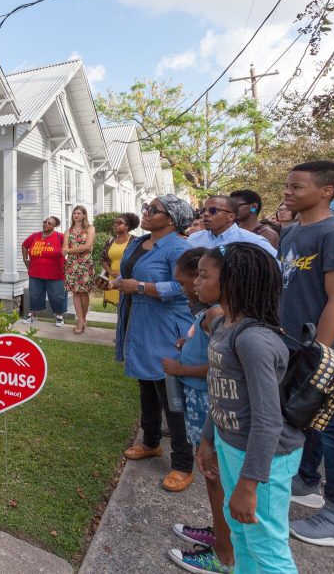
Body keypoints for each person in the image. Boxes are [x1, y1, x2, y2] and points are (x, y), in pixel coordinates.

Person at [196, 243, 306, 574]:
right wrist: (207, 439)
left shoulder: (254, 340)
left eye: (203, 275)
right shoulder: (222, 327)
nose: (196, 282)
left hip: (263, 460)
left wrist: (249, 485)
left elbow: (268, 421)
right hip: (231, 446)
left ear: (232, 281)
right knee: (241, 533)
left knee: (267, 547)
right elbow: (219, 392)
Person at [278, 161, 334, 549]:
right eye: (287, 186)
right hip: (293, 345)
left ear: (326, 190)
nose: (288, 193)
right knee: (305, 416)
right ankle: (307, 480)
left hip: (324, 351)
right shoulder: (292, 232)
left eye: (297, 187)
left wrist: (320, 357)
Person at [107, 195, 196, 492]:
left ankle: (183, 463)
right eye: (146, 207)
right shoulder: (138, 242)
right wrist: (116, 283)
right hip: (138, 320)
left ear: (171, 219)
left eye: (153, 210)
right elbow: (128, 275)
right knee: (146, 384)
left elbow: (187, 286)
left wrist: (142, 287)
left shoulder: (180, 247)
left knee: (170, 393)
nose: (145, 212)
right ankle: (151, 442)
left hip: (165, 326)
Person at [167, 248, 230, 574]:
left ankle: (224, 554)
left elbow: (217, 367)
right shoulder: (205, 313)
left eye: (193, 280)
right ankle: (219, 531)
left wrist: (178, 369)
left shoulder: (216, 315)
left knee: (214, 472)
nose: (188, 289)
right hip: (198, 400)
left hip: (206, 401)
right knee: (209, 473)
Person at [187, 195, 276, 258]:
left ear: (231, 217)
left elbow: (279, 268)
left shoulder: (253, 241)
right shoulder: (193, 239)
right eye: (203, 210)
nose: (205, 214)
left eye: (213, 210)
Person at [21, 216, 67, 326]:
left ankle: (59, 316)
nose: (46, 224)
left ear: (55, 226)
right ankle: (33, 314)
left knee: (57, 295)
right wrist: (25, 259)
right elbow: (24, 245)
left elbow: (70, 248)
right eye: (45, 222)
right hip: (36, 272)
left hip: (56, 273)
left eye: (49, 223)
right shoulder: (35, 236)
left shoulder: (60, 237)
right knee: (35, 294)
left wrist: (69, 262)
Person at [64, 205, 97, 334]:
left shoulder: (90, 228)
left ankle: (83, 319)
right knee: (76, 293)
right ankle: (80, 320)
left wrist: (70, 250)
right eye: (74, 213)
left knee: (84, 292)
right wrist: (73, 250)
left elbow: (88, 246)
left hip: (85, 264)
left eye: (79, 213)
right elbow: (63, 250)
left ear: (84, 215)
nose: (76, 215)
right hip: (72, 265)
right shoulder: (69, 231)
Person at [101, 213, 139, 306]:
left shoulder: (135, 241)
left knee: (127, 307)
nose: (116, 225)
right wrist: (110, 272)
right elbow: (103, 259)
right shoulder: (110, 240)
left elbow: (138, 261)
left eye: (119, 223)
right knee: (118, 308)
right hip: (112, 279)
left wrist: (122, 275)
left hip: (127, 279)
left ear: (127, 226)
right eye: (115, 223)